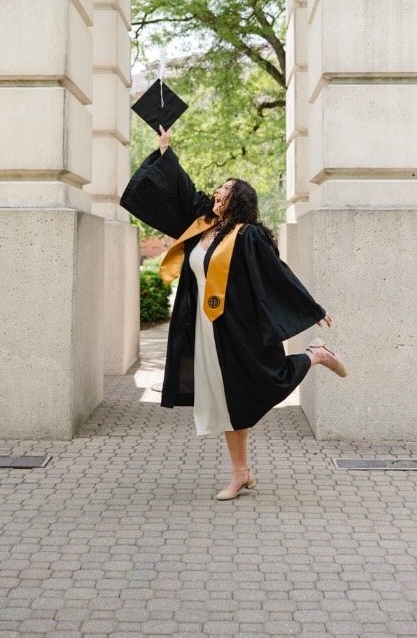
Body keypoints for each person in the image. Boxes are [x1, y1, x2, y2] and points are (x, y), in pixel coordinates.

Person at [120, 125, 347, 501]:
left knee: (262, 385)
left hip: (238, 329)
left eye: (226, 190)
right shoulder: (202, 224)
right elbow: (182, 187)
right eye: (219, 189)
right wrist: (165, 150)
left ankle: (314, 355)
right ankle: (240, 473)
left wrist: (311, 308)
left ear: (238, 199)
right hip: (206, 330)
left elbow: (276, 274)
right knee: (227, 402)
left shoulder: (248, 235)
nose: (218, 193)